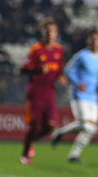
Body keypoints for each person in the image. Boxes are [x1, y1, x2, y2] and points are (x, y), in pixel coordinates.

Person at [50, 31, 98, 163]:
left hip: (92, 97)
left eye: (96, 39)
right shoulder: (82, 55)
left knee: (90, 128)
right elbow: (68, 70)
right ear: (88, 41)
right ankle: (69, 149)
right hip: (79, 95)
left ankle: (68, 147)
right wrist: (77, 83)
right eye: (91, 39)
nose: (93, 41)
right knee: (87, 126)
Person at [19, 19, 65, 165]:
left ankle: (31, 141)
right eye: (47, 31)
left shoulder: (58, 50)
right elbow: (23, 69)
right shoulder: (36, 49)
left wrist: (61, 76)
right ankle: (25, 155)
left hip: (49, 92)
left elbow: (59, 68)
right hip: (36, 92)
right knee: (35, 125)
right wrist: (38, 69)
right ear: (42, 32)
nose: (50, 34)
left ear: (56, 33)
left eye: (52, 31)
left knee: (51, 125)